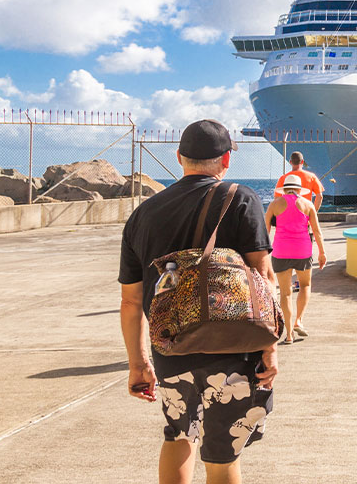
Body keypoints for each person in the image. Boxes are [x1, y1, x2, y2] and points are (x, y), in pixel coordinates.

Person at [119, 119, 277, 484]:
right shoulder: (241, 198)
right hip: (234, 349)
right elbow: (263, 278)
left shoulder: (143, 214)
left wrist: (139, 364)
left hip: (171, 347)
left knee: (178, 434)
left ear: (179, 158)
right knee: (222, 457)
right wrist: (269, 348)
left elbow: (131, 301)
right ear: (225, 160)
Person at [266, 174, 327, 341]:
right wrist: (322, 253)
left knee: (285, 293)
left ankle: (289, 335)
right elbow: (317, 231)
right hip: (302, 250)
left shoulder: (274, 205)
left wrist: (263, 253)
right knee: (305, 285)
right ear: (300, 189)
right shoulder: (307, 204)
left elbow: (265, 230)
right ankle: (298, 321)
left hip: (281, 251)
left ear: (284, 189)